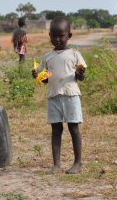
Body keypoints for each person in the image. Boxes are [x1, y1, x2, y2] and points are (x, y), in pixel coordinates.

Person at [32, 16, 87, 174]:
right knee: (56, 130)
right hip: (54, 97)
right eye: (54, 35)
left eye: (61, 35)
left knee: (73, 128)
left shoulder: (75, 55)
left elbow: (80, 78)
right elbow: (44, 80)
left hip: (71, 96)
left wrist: (80, 73)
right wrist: (37, 75)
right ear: (49, 35)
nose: (57, 39)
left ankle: (78, 163)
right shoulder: (47, 57)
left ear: (69, 36)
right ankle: (56, 165)